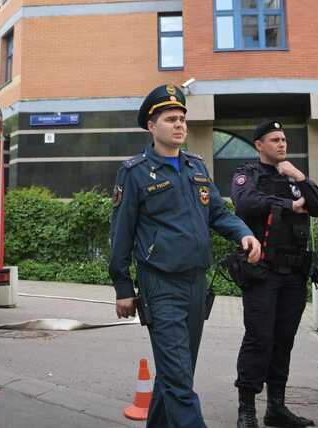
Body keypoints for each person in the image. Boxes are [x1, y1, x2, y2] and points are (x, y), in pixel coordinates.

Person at [109, 84, 262, 428]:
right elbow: (121, 234)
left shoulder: (196, 167)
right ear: (152, 126)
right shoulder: (134, 172)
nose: (179, 125)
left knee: (174, 374)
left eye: (182, 119)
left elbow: (219, 213)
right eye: (170, 119)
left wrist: (244, 234)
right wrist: (122, 286)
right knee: (179, 380)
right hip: (160, 284)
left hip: (196, 285)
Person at [231, 120, 318, 428]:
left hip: (295, 274)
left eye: (284, 139)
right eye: (274, 139)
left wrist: (299, 177)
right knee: (259, 338)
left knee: (283, 340)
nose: (281, 144)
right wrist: (288, 204)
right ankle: (246, 409)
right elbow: (245, 202)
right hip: (263, 273)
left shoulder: (293, 176)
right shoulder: (248, 174)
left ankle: (276, 408)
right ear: (259, 144)